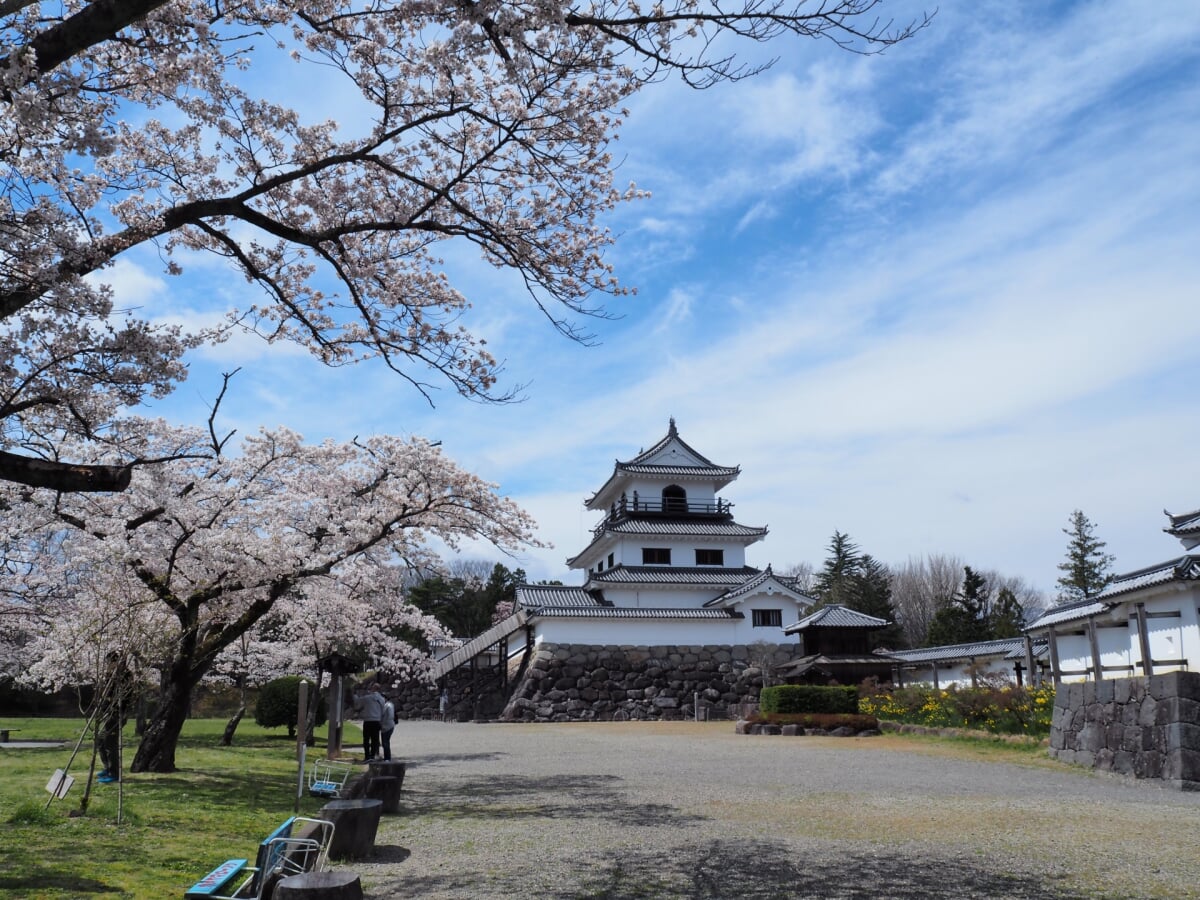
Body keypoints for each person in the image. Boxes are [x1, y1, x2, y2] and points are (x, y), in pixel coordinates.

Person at [95, 651, 131, 784]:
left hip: (117, 713)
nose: (107, 666)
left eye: (109, 663)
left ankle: (114, 773)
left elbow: (122, 696)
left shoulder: (124, 676)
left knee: (110, 743)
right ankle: (108, 767)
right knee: (100, 740)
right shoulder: (110, 676)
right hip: (108, 712)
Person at [353, 681, 386, 761]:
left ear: (373, 689)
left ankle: (367, 756)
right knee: (375, 739)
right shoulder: (382, 699)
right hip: (377, 721)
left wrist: (354, 695)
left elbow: (357, 702)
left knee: (366, 739)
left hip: (368, 721)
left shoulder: (367, 698)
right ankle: (372, 755)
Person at [380, 696, 396, 761]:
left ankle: (387, 758)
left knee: (385, 742)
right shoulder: (388, 705)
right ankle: (386, 757)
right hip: (387, 725)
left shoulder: (388, 705)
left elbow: (390, 715)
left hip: (387, 726)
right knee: (385, 742)